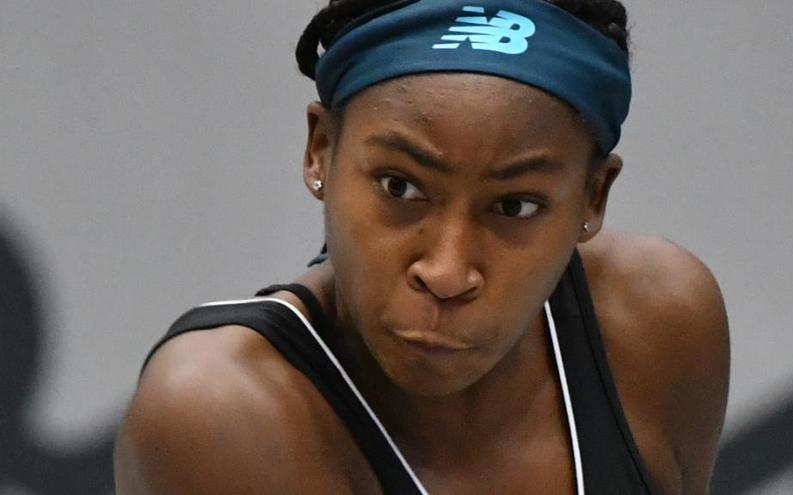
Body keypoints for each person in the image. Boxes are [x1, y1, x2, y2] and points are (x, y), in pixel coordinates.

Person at [114, 0, 729, 493]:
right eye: (400, 186)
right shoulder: (221, 413)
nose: (446, 271)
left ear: (593, 198)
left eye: (514, 206)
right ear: (320, 149)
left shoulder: (659, 323)